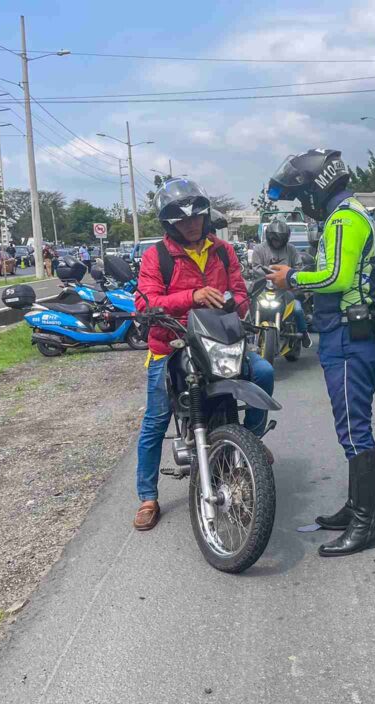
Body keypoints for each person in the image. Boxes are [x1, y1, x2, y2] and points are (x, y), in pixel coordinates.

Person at [264, 148, 375, 557]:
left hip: (351, 337)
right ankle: (355, 508)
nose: (303, 206)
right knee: (352, 424)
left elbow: (336, 277)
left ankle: (364, 524)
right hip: (357, 334)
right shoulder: (355, 214)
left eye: (302, 197)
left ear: (317, 188)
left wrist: (292, 277)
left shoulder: (343, 220)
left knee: (355, 430)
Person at [132, 178, 276, 532]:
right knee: (155, 420)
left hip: (218, 342)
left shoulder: (223, 251)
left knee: (264, 373)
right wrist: (192, 297)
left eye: (196, 216)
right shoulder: (157, 256)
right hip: (171, 345)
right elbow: (144, 302)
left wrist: (235, 306)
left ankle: (249, 445)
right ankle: (148, 497)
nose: (192, 224)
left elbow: (240, 293)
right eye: (182, 220)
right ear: (170, 224)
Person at [251, 219, 311, 347]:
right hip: (263, 289)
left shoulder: (291, 249)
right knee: (247, 306)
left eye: (280, 239)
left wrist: (292, 277)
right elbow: (255, 267)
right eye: (275, 239)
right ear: (269, 237)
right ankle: (249, 335)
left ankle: (304, 333)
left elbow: (299, 266)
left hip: (286, 290)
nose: (277, 242)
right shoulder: (259, 249)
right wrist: (270, 275)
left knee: (298, 309)